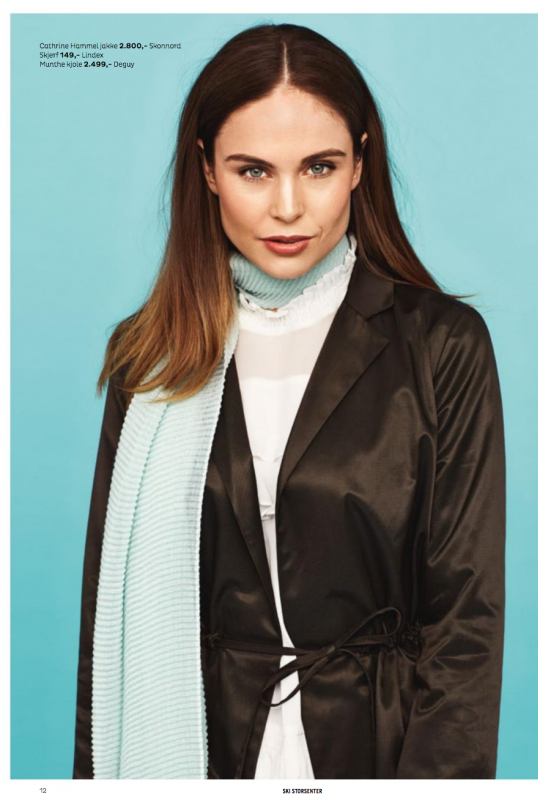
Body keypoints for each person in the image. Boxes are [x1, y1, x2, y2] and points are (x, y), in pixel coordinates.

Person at [73, 22, 506, 780]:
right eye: (252, 171)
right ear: (207, 170)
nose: (287, 207)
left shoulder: (442, 345)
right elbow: (107, 622)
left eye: (318, 167)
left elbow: (465, 620)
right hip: (199, 750)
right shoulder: (152, 357)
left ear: (359, 164)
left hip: (379, 751)